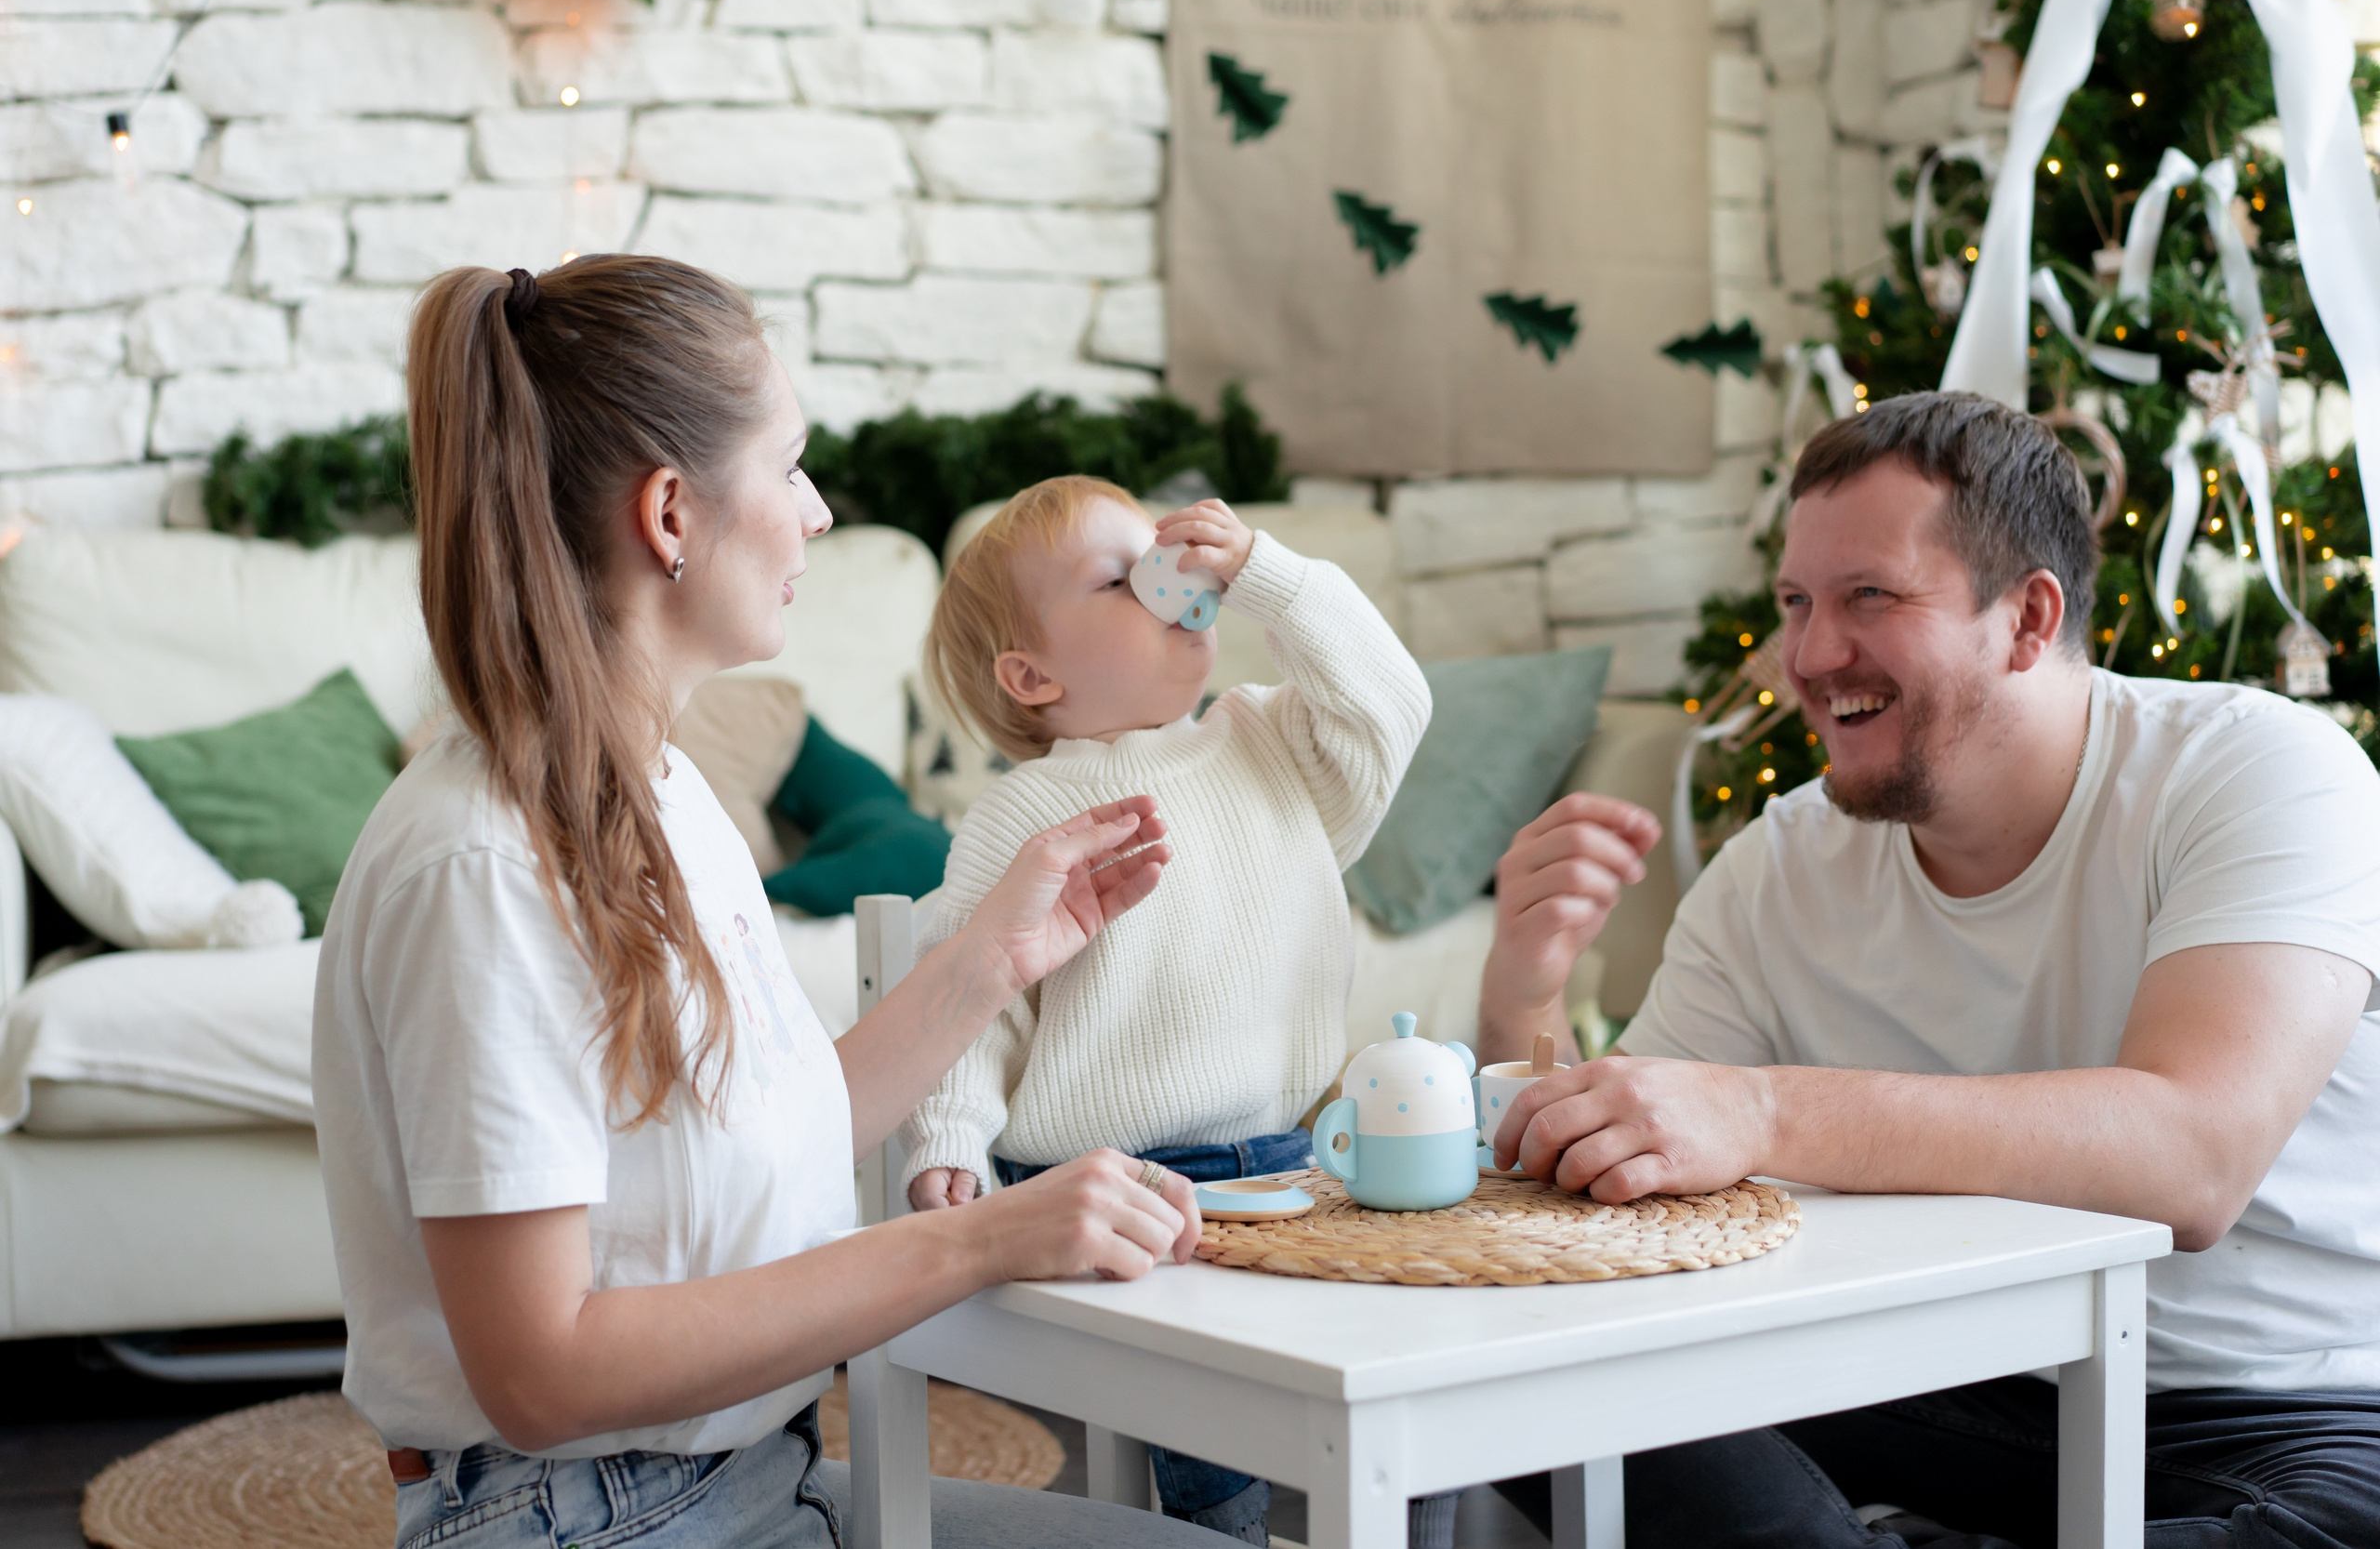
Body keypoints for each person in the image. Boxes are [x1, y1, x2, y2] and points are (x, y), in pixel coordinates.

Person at [311, 256, 1248, 1549]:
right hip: (583, 1518)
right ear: (671, 516)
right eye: (792, 463)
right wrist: (980, 1242)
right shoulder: (481, 866)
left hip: (750, 1480)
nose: (815, 513)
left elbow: (778, 1134)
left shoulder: (663, 791)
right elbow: (543, 1370)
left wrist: (991, 958)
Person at [1476, 391, 2380, 1546]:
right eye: (1796, 603)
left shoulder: (2261, 773)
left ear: (2025, 618)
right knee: (1534, 1389)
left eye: (1870, 599)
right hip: (1937, 1376)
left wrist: (1761, 1109)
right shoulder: (1781, 864)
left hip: (2273, 1410)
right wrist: (1526, 992)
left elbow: (2190, 1158)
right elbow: (1607, 1198)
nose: (1808, 656)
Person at [900, 474, 1431, 1543]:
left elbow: (1394, 703)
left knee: (1410, 1368)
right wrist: (947, 1136)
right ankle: (1222, 1532)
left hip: (1293, 1156)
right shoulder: (1027, 809)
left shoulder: (1271, 741)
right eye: (1120, 574)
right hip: (1115, 1180)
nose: (1169, 579)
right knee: (1221, 1428)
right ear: (1032, 673)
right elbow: (975, 992)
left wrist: (1271, 581)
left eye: (1167, 553)